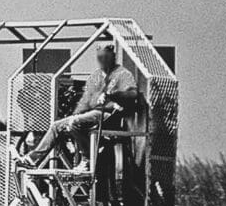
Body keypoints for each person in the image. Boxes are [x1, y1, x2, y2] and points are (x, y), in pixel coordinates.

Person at [18, 42, 138, 171]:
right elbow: (85, 100)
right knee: (56, 126)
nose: (102, 60)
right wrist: (75, 113)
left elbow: (132, 94)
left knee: (74, 122)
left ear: (112, 56)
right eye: (100, 57)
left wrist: (112, 96)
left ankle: (88, 158)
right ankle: (33, 159)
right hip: (92, 113)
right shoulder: (96, 76)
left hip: (108, 115)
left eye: (106, 56)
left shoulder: (123, 74)